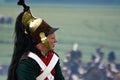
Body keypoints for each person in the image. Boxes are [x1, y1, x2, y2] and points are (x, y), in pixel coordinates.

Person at [7, 0, 65, 80]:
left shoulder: (53, 58)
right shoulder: (27, 63)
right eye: (52, 38)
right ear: (42, 39)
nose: (56, 41)